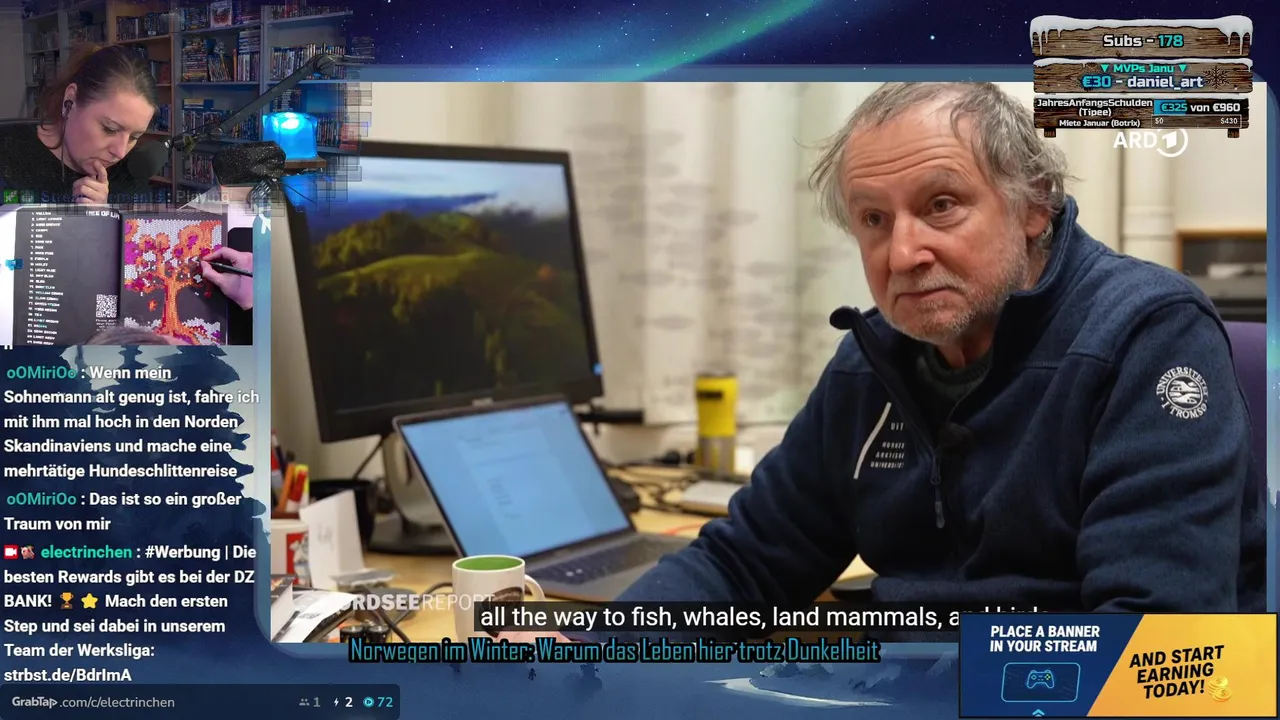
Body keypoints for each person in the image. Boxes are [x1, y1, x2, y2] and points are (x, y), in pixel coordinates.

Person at [510, 82, 1266, 644]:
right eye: (874, 219)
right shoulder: (871, 362)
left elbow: (1155, 643)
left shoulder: (1147, 335)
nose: (903, 253)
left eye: (941, 205)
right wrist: (597, 653)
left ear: (1034, 204)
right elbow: (744, 566)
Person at [0, 44, 160, 205]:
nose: (120, 152)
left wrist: (106, 216)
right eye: (110, 129)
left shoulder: (130, 174)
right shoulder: (6, 151)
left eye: (134, 137)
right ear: (70, 101)